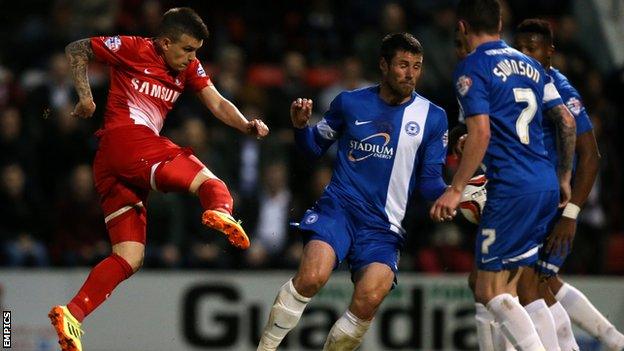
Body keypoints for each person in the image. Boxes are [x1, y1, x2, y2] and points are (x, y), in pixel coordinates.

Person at [47, 7, 269, 351]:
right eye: (186, 49)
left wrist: (245, 125)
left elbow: (218, 102)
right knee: (212, 184)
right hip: (128, 141)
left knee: (129, 256)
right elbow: (77, 48)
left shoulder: (190, 67)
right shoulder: (135, 48)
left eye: (196, 50)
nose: (192, 58)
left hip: (112, 161)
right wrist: (86, 96)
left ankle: (72, 314)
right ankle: (220, 212)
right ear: (164, 42)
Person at [257, 32, 449, 351]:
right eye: (403, 65)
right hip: (339, 210)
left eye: (417, 66)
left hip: (384, 227)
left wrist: (453, 195)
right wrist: (301, 128)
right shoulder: (350, 102)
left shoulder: (434, 117)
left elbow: (430, 183)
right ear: (383, 65)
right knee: (312, 277)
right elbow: (312, 150)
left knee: (370, 297)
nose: (411, 73)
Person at [430, 0, 577, 350]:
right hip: (544, 182)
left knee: (487, 289)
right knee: (521, 285)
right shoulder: (531, 64)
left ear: (463, 27)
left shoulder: (472, 68)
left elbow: (481, 133)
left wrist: (456, 188)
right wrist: (564, 177)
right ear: (500, 24)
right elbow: (566, 123)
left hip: (511, 187)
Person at [515, 18, 624, 351]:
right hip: (529, 195)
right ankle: (613, 339)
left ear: (550, 52)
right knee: (543, 284)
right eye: (519, 49)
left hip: (550, 202)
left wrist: (570, 215)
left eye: (532, 49)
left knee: (525, 287)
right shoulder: (516, 84)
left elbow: (591, 156)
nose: (524, 56)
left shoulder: (559, 89)